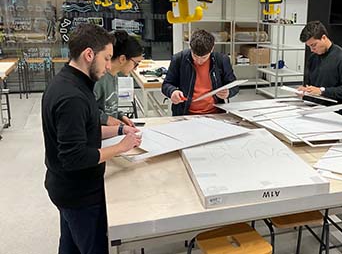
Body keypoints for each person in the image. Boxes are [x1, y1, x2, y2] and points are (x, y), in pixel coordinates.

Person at [42, 23, 142, 254]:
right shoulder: (73, 97)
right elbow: (74, 157)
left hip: (65, 188)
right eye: (106, 58)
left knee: (70, 247)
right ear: (89, 54)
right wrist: (120, 148)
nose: (109, 66)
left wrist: (119, 131)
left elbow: (84, 131)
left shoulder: (69, 82)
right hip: (79, 194)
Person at [162, 29, 239, 116]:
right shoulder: (179, 59)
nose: (199, 61)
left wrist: (229, 92)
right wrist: (172, 92)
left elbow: (234, 86)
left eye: (204, 57)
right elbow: (166, 84)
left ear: (212, 48)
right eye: (195, 56)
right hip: (185, 113)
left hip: (215, 113)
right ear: (190, 47)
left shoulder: (221, 60)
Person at [298, 20, 342, 104]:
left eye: (314, 45)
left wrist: (322, 91)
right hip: (312, 106)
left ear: (323, 38)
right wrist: (305, 91)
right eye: (309, 46)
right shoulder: (313, 58)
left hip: (333, 110)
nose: (312, 50)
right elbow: (309, 85)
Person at [94, 30, 144, 126]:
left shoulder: (114, 75)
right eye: (136, 63)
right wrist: (108, 120)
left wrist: (120, 116)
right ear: (122, 59)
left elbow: (109, 107)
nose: (136, 68)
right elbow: (86, 111)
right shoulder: (99, 79)